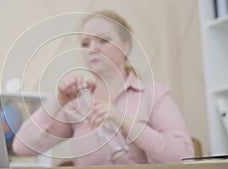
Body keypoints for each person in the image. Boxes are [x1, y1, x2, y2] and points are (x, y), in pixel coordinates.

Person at [12, 10, 194, 166]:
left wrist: (122, 120)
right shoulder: (77, 104)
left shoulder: (154, 95)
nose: (92, 49)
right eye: (85, 43)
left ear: (126, 46)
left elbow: (182, 155)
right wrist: (58, 100)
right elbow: (22, 147)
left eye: (103, 40)